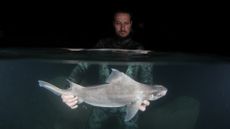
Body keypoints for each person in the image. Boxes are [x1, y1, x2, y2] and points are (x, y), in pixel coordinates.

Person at [61, 9, 154, 129]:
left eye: (126, 23)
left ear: (131, 23)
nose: (122, 27)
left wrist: (145, 99)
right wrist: (67, 90)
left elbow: (147, 80)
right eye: (118, 23)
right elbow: (82, 66)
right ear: (113, 24)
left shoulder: (139, 49)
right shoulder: (102, 45)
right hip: (101, 102)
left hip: (129, 103)